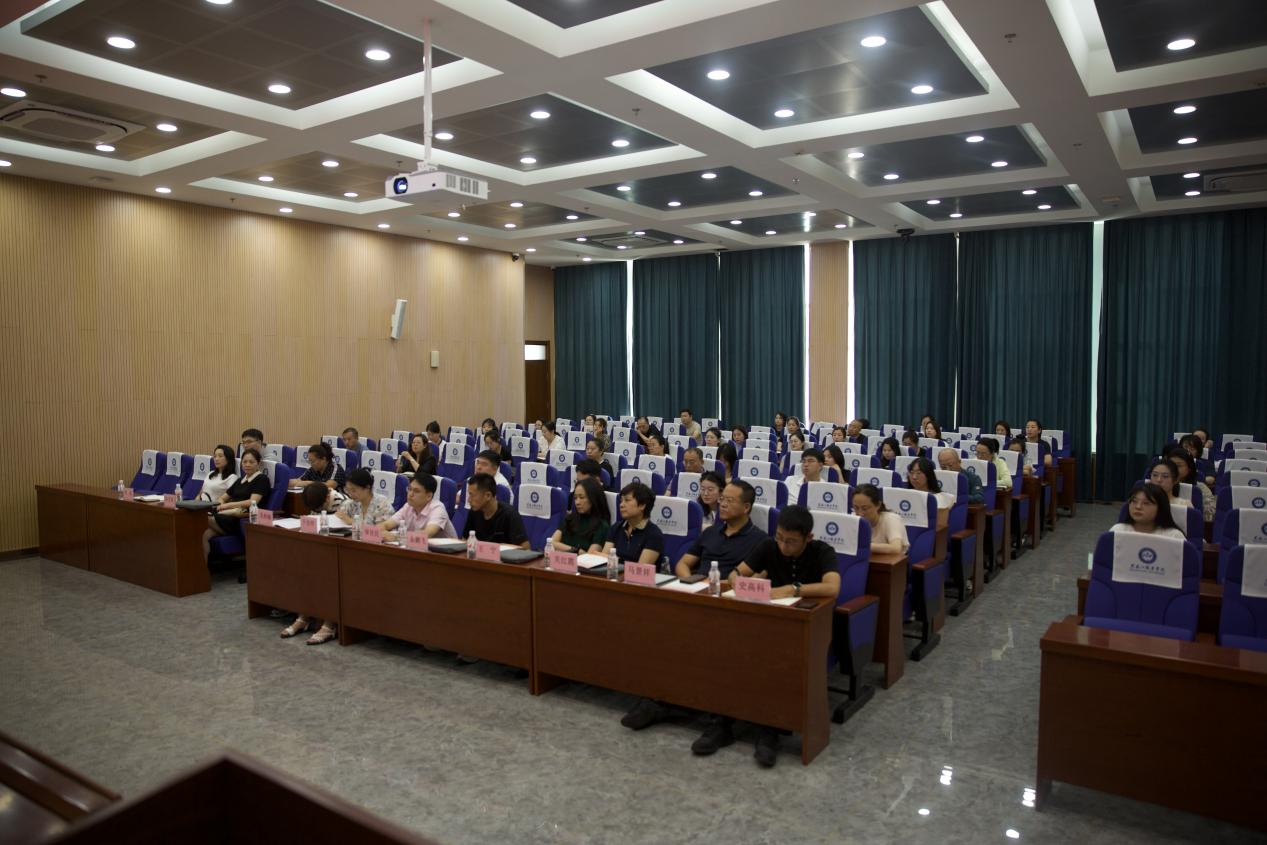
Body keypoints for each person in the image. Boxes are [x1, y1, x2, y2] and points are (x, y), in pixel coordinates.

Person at [727, 505, 841, 767]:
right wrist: (738, 581)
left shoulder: (822, 551)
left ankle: (770, 731)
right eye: (779, 537)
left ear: (808, 538)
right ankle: (723, 720)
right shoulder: (769, 546)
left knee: (774, 663)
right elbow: (737, 572)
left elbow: (833, 588)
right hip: (769, 622)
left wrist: (792, 589)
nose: (782, 546)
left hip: (807, 625)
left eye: (790, 541)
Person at [278, 483, 344, 643]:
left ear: (327, 497)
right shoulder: (315, 499)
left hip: (337, 551)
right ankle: (303, 618)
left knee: (327, 578)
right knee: (303, 573)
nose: (317, 509)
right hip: (320, 547)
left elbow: (344, 528)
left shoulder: (342, 502)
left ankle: (329, 625)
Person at [674, 480, 767, 581]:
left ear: (746, 507)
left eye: (729, 500)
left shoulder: (761, 540)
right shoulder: (710, 532)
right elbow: (683, 564)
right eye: (721, 499)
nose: (722, 504)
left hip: (729, 589)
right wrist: (692, 583)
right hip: (697, 586)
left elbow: (755, 579)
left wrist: (715, 585)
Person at [203, 447, 270, 561]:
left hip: (240, 519)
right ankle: (202, 569)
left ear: (258, 464)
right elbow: (223, 498)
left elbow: (252, 502)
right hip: (226, 515)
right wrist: (220, 503)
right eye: (244, 462)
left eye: (251, 462)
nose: (247, 465)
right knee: (203, 535)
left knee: (202, 518)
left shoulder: (262, 479)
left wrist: (227, 505)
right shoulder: (240, 480)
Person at [602, 481, 665, 566]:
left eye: (627, 500)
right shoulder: (616, 527)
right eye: (621, 501)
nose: (621, 505)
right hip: (614, 572)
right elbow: (603, 560)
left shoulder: (654, 534)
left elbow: (640, 569)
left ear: (642, 505)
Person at [464, 473, 530, 548]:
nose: (469, 500)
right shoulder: (474, 512)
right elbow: (465, 540)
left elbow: (525, 548)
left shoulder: (509, 514)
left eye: (472, 495)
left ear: (488, 496)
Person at [382, 473, 456, 540]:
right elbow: (386, 525)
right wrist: (382, 532)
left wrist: (395, 537)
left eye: (416, 491)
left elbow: (427, 534)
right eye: (409, 489)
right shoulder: (408, 506)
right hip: (417, 548)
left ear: (429, 496)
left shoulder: (438, 508)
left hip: (447, 550)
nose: (410, 494)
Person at [549, 477, 611, 553]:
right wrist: (577, 551)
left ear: (593, 498)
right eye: (575, 498)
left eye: (582, 497)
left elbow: (589, 556)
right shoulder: (570, 518)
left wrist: (564, 548)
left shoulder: (602, 526)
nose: (577, 502)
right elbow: (551, 543)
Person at [1112, 483, 1186, 539]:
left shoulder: (1174, 536)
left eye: (1146, 503)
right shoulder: (1118, 530)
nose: (1138, 507)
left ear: (1160, 508)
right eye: (1134, 501)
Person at [851, 484, 909, 555]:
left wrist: (862, 546)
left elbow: (896, 548)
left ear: (878, 505)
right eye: (856, 508)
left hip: (890, 560)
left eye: (865, 508)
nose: (860, 513)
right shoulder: (853, 518)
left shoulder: (891, 519)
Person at [1164, 446, 1214, 524]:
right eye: (1170, 465)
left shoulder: (1201, 488)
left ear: (1189, 468)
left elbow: (1209, 517)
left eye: (1178, 466)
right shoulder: (1160, 485)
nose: (1173, 469)